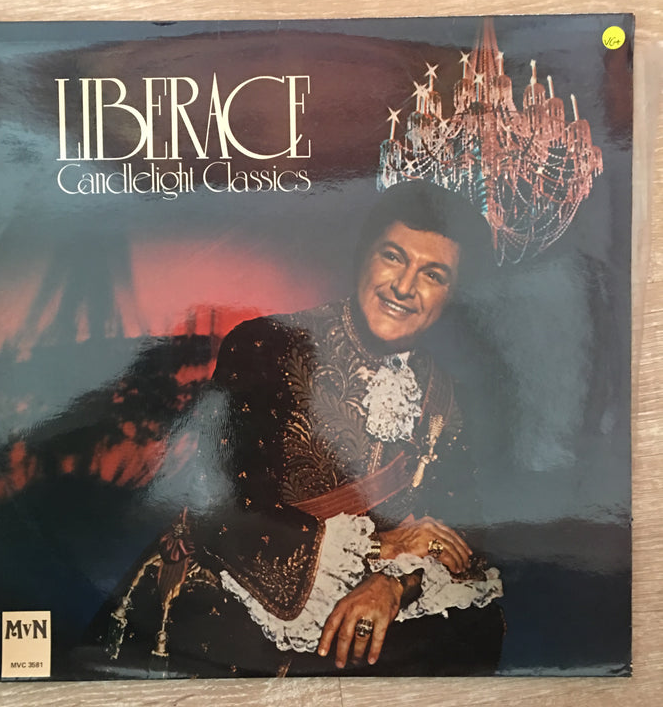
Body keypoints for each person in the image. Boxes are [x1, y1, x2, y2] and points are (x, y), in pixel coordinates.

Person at [97, 180, 505, 678]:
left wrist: (396, 584)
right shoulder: (265, 346)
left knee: (475, 629)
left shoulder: (445, 395)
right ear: (363, 255)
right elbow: (226, 513)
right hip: (240, 579)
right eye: (393, 257)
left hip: (371, 587)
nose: (403, 287)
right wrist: (382, 547)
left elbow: (463, 536)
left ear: (452, 295)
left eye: (433, 274)